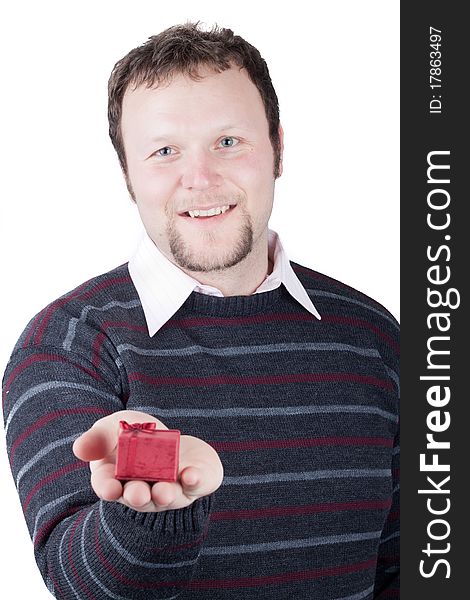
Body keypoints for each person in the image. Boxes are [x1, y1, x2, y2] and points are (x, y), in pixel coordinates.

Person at [2, 22, 399, 599]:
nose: (201, 179)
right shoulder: (67, 343)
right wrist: (157, 501)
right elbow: (81, 584)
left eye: (228, 142)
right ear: (128, 177)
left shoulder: (375, 337)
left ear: (278, 148)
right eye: (165, 152)